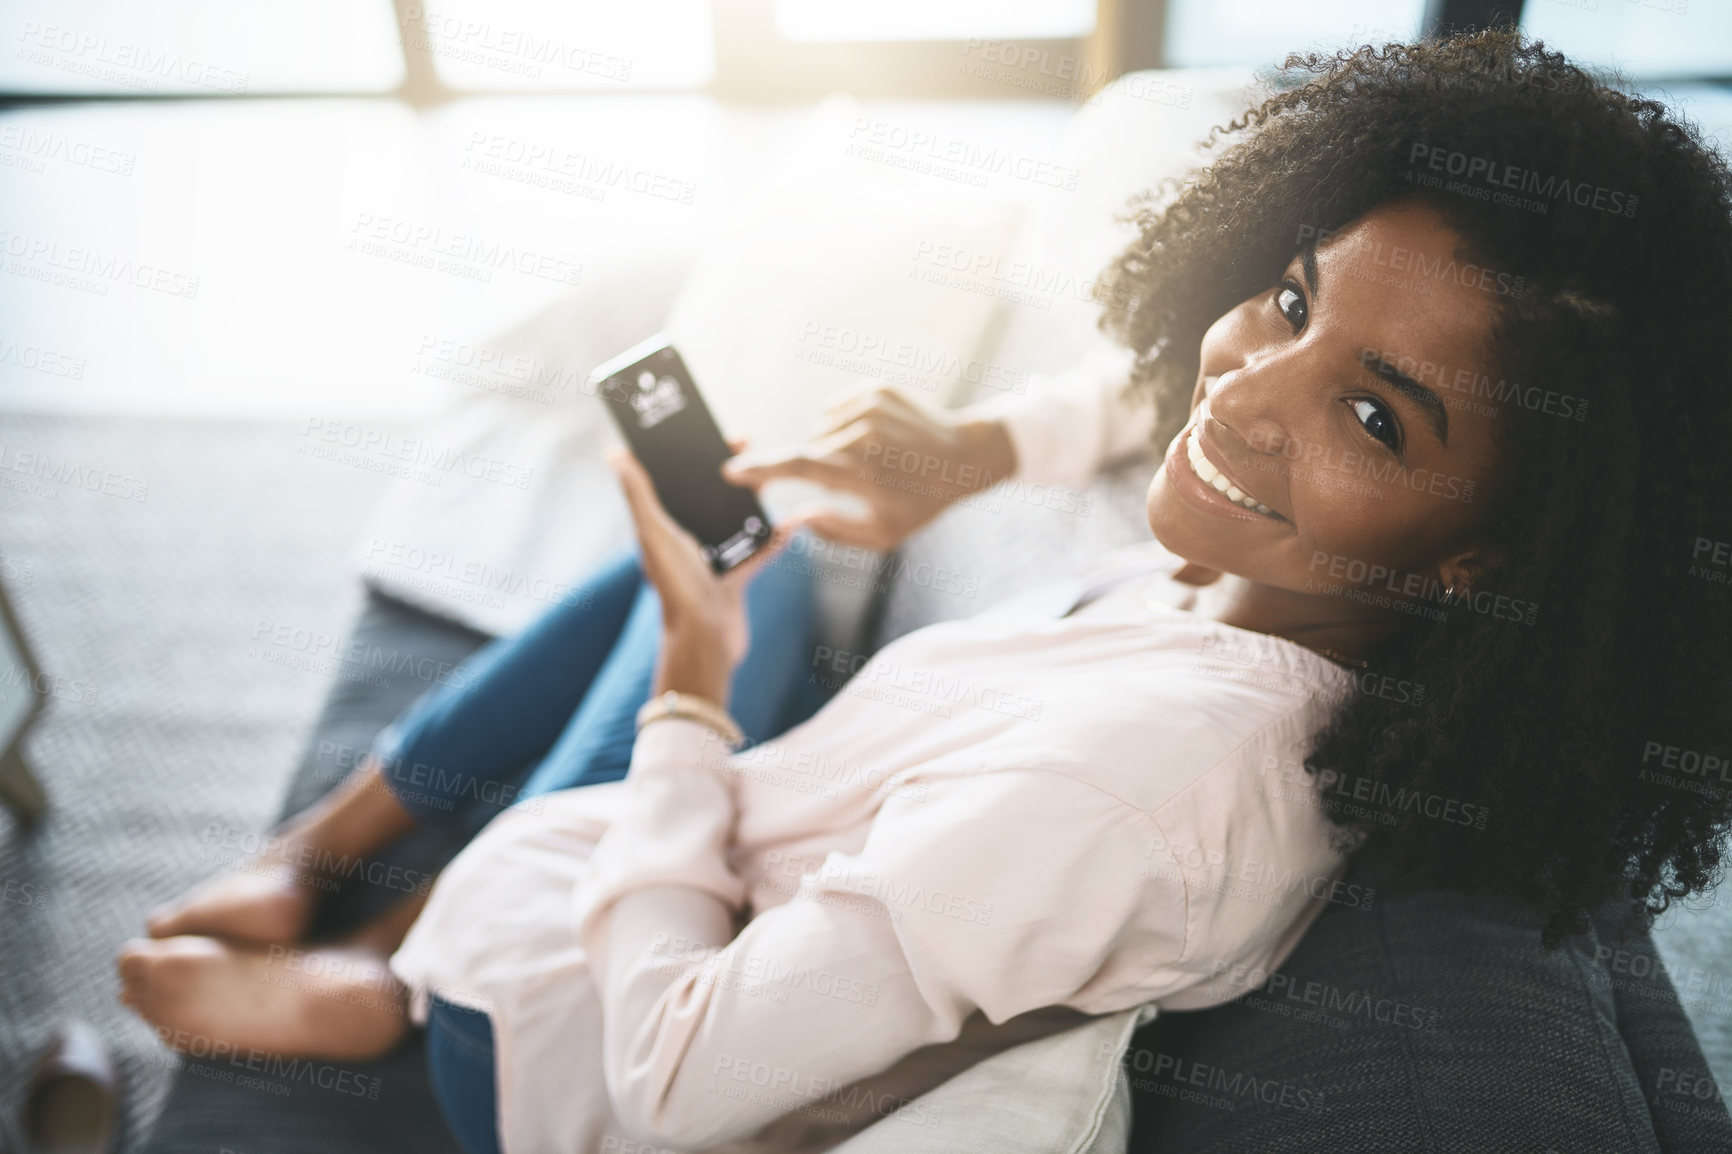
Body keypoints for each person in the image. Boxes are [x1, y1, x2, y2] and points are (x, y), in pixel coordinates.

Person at [120, 29, 1732, 1154]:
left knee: (712, 571)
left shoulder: (1134, 789)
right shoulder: (1279, 603)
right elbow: (1150, 395)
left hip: (546, 1051)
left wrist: (692, 685)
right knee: (752, 528)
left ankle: (377, 977)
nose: (1241, 387)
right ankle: (310, 867)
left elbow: (675, 1075)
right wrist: (966, 456)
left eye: (1375, 414)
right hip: (699, 878)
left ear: (1492, 554)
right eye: (1291, 295)